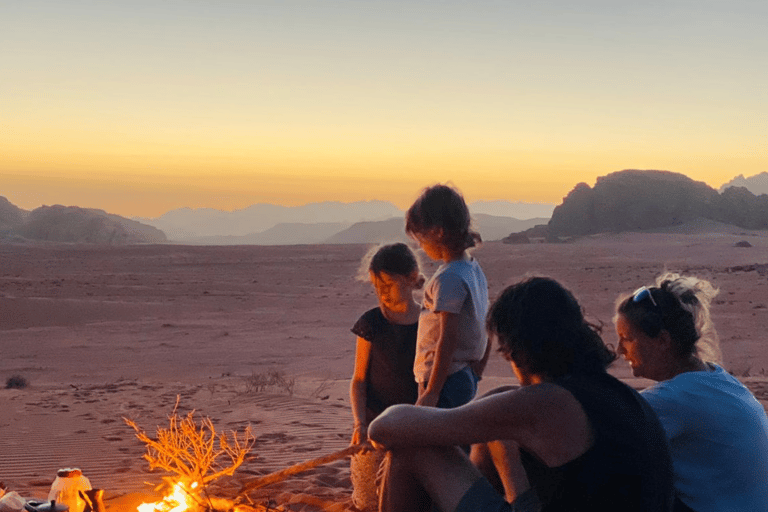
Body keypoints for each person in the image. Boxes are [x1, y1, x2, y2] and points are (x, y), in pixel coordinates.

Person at [369, 277, 674, 512]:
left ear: (516, 351)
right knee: (499, 419)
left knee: (409, 444)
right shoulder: (614, 394)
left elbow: (384, 428)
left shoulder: (545, 403)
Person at [615, 273, 768, 512]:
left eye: (627, 338)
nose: (619, 350)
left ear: (663, 341)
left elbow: (600, 431)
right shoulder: (719, 380)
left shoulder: (674, 398)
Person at [348, 242, 424, 511]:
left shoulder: (429, 322)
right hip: (374, 425)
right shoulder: (371, 323)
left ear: (412, 278)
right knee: (370, 499)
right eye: (376, 287)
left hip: (414, 424)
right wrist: (360, 423)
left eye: (388, 285)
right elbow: (358, 380)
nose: (382, 294)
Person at [405, 183, 489, 409]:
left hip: (445, 379)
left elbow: (447, 339)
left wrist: (432, 391)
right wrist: (478, 369)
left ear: (438, 232)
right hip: (462, 374)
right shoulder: (472, 269)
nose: (421, 247)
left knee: (434, 440)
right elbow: (486, 322)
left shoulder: (449, 279)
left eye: (421, 239)